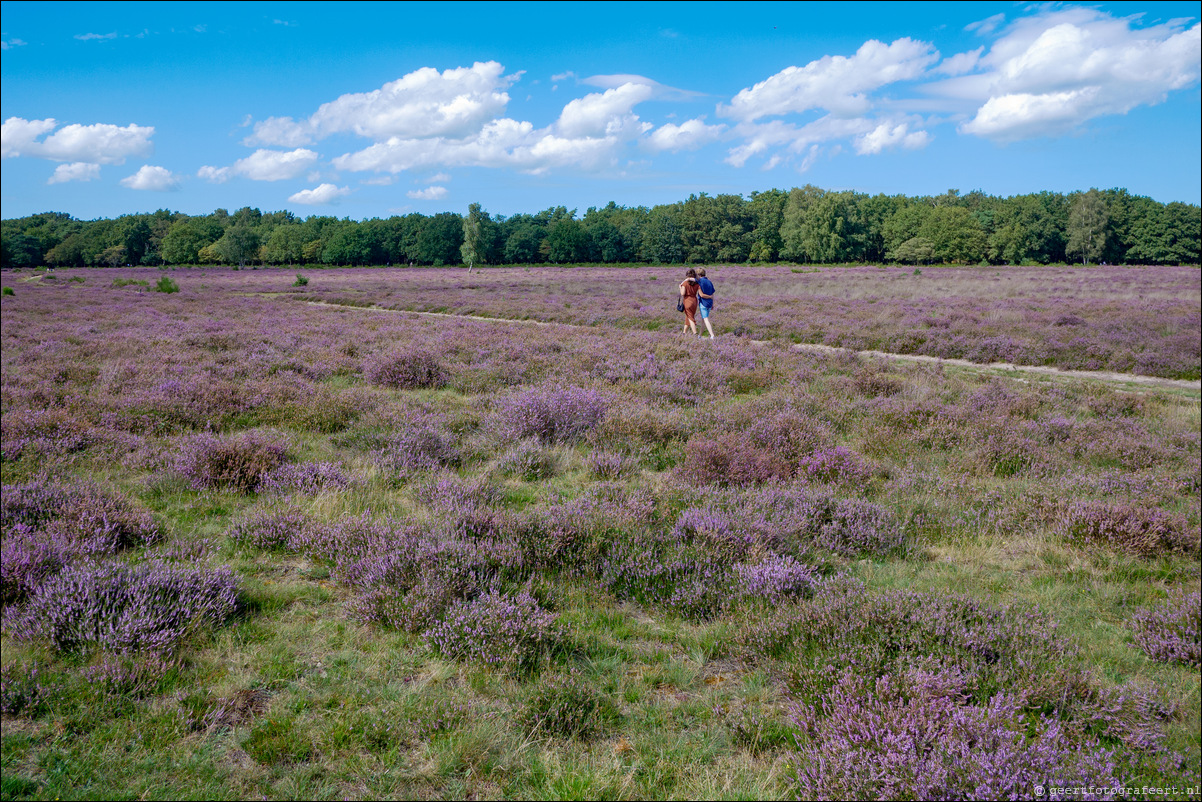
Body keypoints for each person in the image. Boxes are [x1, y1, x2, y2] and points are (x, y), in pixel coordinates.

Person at [678, 268, 700, 336]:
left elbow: (682, 293)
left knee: (690, 318)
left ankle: (695, 333)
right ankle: (684, 333)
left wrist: (680, 287)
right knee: (689, 316)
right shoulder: (697, 283)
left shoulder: (685, 283)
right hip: (694, 301)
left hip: (687, 300)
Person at [696, 268, 715, 339]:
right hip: (710, 303)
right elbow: (713, 294)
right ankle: (700, 335)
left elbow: (702, 295)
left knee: (705, 319)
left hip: (703, 303)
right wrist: (712, 303)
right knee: (703, 320)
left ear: (699, 274)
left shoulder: (699, 281)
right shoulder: (709, 282)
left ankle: (712, 335)